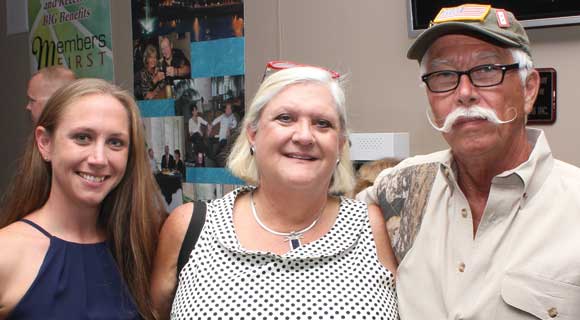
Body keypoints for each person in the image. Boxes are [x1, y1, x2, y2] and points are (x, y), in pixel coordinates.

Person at [358, 4, 580, 319]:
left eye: (487, 70)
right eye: (444, 74)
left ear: (529, 89)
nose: (464, 92)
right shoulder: (401, 189)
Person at [150, 63, 399, 319]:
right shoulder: (190, 227)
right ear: (252, 134)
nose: (304, 136)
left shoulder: (374, 227)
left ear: (340, 145)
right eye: (285, 118)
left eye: (322, 123)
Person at [0, 78, 166, 319]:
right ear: (45, 143)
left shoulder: (141, 247)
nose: (99, 158)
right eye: (82, 138)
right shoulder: (7, 252)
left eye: (115, 142)